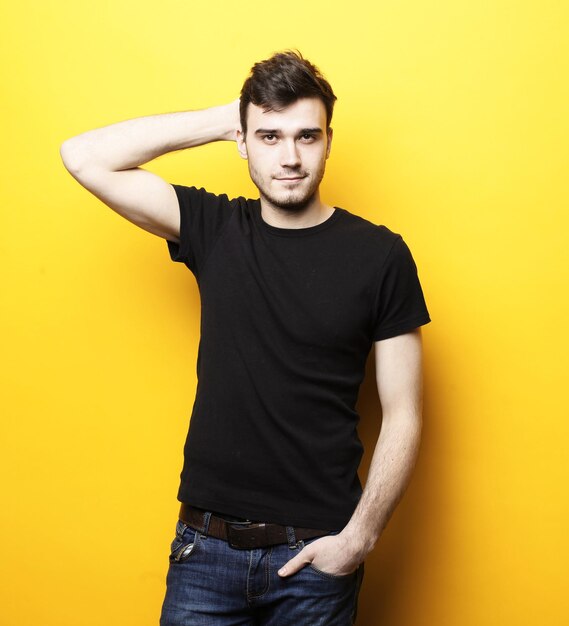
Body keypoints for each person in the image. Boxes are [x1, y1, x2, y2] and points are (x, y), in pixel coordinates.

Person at [60, 50, 430, 626]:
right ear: (243, 140)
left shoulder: (381, 256)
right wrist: (222, 117)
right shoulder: (214, 227)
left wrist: (357, 541)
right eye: (269, 136)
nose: (289, 157)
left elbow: (404, 413)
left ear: (330, 140)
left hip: (316, 556)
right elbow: (83, 157)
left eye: (307, 136)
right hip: (203, 552)